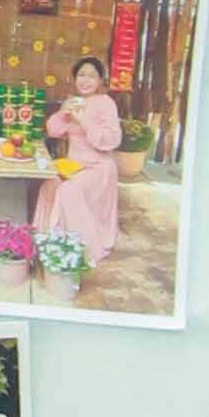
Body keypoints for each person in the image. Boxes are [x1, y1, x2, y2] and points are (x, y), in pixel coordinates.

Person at [46, 52, 125, 281]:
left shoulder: (105, 103)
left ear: (100, 81)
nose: (86, 80)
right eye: (81, 75)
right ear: (74, 78)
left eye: (92, 76)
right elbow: (53, 131)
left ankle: (83, 249)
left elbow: (111, 140)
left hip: (99, 167)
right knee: (47, 185)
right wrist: (64, 113)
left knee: (68, 191)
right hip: (74, 165)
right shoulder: (73, 102)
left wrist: (84, 120)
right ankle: (51, 241)